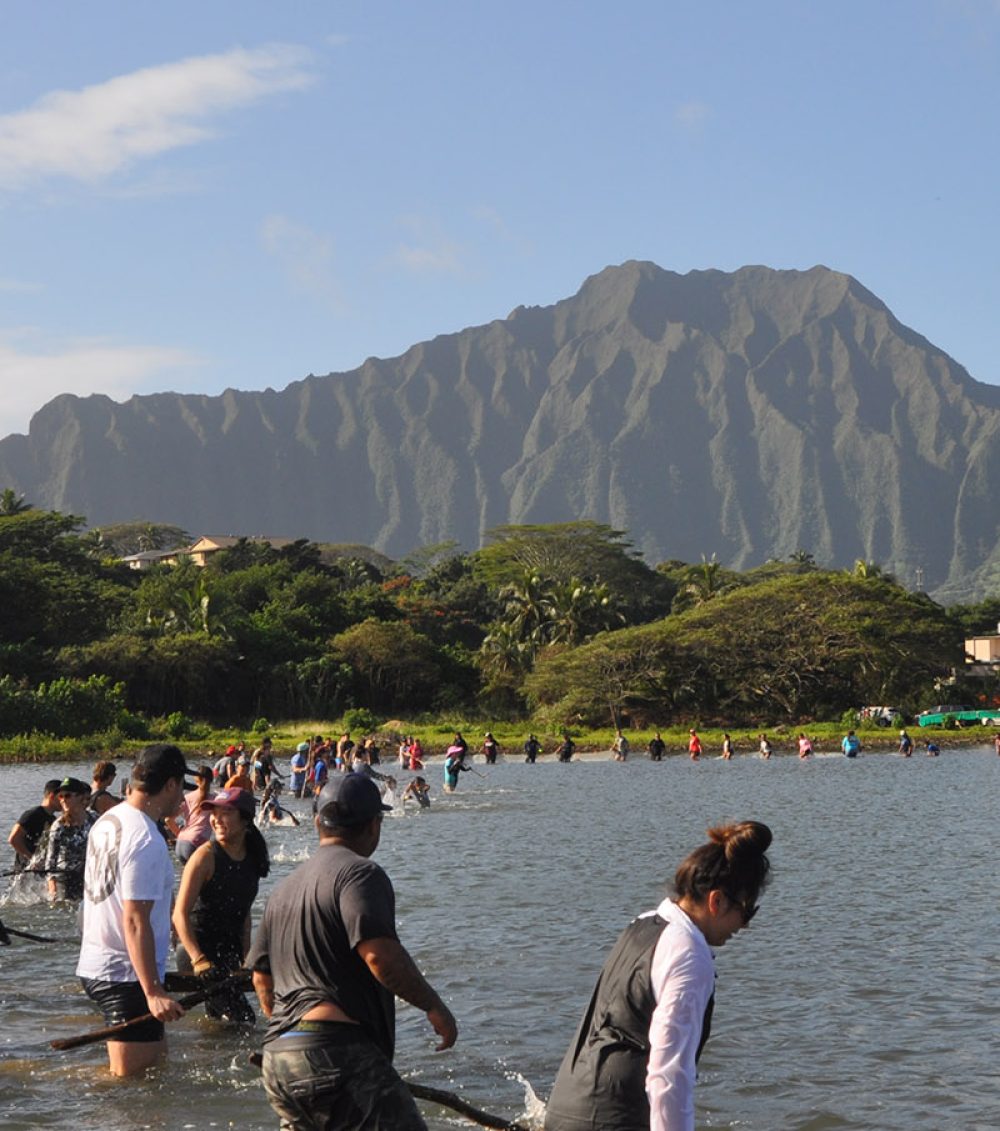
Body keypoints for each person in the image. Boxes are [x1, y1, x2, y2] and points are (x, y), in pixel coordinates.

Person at [246, 773, 457, 1130]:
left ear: (317, 822)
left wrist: (293, 1038)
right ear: (375, 825)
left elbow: (261, 979)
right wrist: (434, 1006)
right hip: (334, 1051)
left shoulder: (283, 890)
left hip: (279, 1059)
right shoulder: (360, 874)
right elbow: (379, 957)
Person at [545, 821, 773, 1131]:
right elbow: (669, 1072)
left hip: (567, 1105)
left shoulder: (642, 925)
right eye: (747, 912)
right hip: (615, 1117)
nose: (744, 926)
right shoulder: (689, 953)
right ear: (716, 901)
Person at [76, 743, 193, 1076]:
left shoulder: (108, 820)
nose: (181, 799)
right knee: (134, 1094)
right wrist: (153, 990)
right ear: (169, 785)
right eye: (180, 789)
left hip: (102, 963)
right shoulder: (146, 838)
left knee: (156, 1074)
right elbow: (134, 919)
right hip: (124, 974)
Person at [172, 787, 269, 1025]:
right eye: (213, 812)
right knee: (243, 1021)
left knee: (220, 1022)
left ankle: (207, 1054)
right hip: (198, 951)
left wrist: (247, 957)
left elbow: (244, 912)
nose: (216, 819)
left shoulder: (253, 856)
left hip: (229, 950)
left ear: (245, 818)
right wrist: (198, 959)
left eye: (226, 812)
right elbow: (179, 915)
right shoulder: (204, 857)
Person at [45, 777, 98, 901]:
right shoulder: (59, 826)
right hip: (65, 881)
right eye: (60, 797)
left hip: (90, 877)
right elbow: (50, 861)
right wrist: (53, 889)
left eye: (67, 796)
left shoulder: (95, 819)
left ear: (80, 797)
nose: (63, 800)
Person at [7, 778, 62, 873]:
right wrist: (32, 859)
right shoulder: (33, 814)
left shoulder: (53, 819)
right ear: (52, 796)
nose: (64, 800)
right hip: (25, 870)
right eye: (61, 797)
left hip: (40, 869)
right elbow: (13, 839)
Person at [174, 766, 215, 864]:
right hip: (196, 842)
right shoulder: (214, 800)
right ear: (212, 780)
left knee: (186, 877)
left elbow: (168, 819)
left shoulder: (187, 797)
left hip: (180, 843)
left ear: (195, 779)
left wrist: (179, 834)